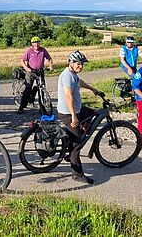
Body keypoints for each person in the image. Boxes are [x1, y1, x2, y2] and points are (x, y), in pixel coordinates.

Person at [56, 50, 103, 185]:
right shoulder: (66, 76)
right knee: (77, 145)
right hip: (67, 113)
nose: (80, 66)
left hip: (77, 109)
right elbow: (68, 96)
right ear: (70, 62)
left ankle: (74, 144)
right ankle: (77, 174)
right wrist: (73, 117)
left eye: (82, 64)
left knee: (92, 113)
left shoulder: (73, 75)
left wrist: (92, 89)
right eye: (78, 63)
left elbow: (79, 82)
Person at [17, 36, 54, 115]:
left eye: (38, 43)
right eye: (34, 43)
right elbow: (22, 60)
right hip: (30, 72)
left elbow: (49, 58)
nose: (36, 44)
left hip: (40, 71)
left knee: (42, 88)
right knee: (27, 89)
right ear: (32, 44)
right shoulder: (29, 51)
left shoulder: (43, 50)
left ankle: (42, 108)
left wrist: (51, 65)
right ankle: (21, 107)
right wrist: (26, 68)